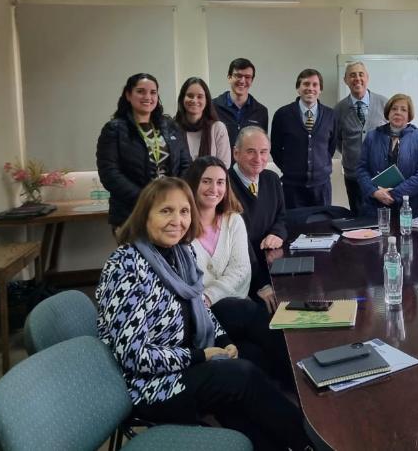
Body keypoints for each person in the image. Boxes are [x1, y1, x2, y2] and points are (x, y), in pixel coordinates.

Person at [95, 178, 311, 451]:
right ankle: (309, 441)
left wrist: (222, 342)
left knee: (248, 360)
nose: (177, 220)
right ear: (144, 214)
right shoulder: (125, 265)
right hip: (149, 385)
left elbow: (201, 309)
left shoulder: (179, 253)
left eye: (184, 211)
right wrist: (200, 356)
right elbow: (133, 355)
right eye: (166, 211)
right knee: (239, 376)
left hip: (182, 357)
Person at [185, 156, 290, 383]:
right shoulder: (181, 226)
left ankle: (302, 385)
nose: (214, 188)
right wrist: (206, 300)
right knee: (253, 318)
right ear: (192, 184)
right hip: (203, 315)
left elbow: (241, 271)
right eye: (206, 181)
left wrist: (210, 295)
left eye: (221, 182)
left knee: (256, 358)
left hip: (229, 307)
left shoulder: (233, 220)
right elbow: (188, 282)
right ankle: (301, 376)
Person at [97, 73, 191, 229]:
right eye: (141, 91)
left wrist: (174, 196)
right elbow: (110, 173)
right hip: (132, 213)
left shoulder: (170, 126)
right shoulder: (114, 129)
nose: (148, 96)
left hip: (170, 211)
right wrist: (147, 199)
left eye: (153, 92)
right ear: (128, 95)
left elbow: (186, 164)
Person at [229, 126, 285, 308]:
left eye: (263, 152)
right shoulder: (224, 186)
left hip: (272, 264)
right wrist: (260, 283)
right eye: (251, 152)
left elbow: (282, 217)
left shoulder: (272, 179)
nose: (258, 159)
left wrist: (277, 233)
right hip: (244, 274)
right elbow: (237, 246)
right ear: (236, 153)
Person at [357, 93, 418, 217]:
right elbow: (361, 169)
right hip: (376, 206)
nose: (398, 112)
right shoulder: (372, 136)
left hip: (410, 207)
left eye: (403, 109)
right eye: (394, 108)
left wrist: (394, 194)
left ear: (409, 115)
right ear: (388, 112)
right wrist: (374, 192)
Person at [270, 69, 336, 208]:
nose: (310, 88)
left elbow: (331, 147)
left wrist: (320, 167)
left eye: (315, 85)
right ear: (298, 88)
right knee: (294, 227)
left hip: (321, 187)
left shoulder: (331, 115)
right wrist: (290, 169)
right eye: (306, 84)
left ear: (320, 89)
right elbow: (275, 149)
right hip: (292, 187)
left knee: (322, 227)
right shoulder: (283, 115)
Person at [334, 61, 388, 215]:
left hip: (381, 176)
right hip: (354, 176)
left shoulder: (384, 103)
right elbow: (337, 140)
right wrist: (352, 154)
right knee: (358, 219)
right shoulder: (339, 109)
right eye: (352, 75)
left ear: (367, 78)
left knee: (383, 218)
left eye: (360, 74)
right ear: (345, 80)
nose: (357, 78)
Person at [213, 58, 269, 149]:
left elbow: (261, 145)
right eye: (238, 76)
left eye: (247, 77)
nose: (242, 81)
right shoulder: (213, 107)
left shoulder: (261, 112)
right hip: (220, 163)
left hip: (248, 163)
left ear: (252, 80)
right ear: (229, 78)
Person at [175, 77, 231, 167]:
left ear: (207, 100)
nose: (194, 100)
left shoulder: (218, 128)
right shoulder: (173, 128)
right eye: (190, 96)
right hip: (180, 181)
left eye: (200, 96)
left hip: (212, 180)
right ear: (182, 98)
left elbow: (224, 165)